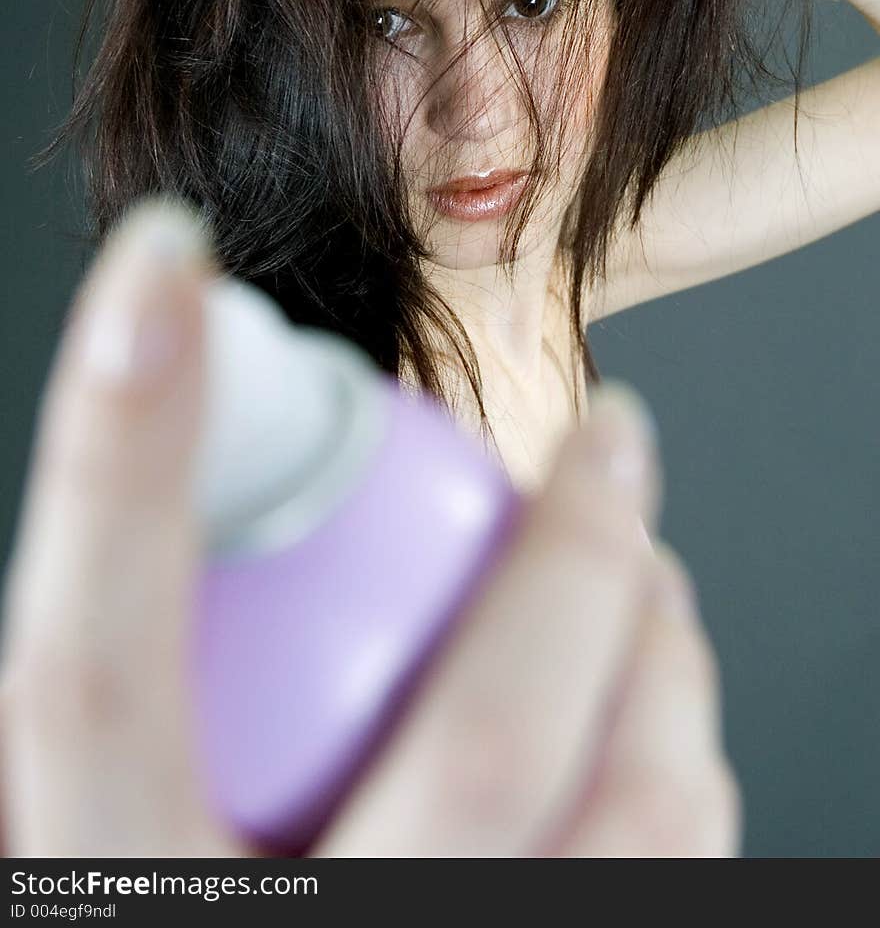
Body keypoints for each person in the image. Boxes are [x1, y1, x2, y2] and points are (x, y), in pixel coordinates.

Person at [14, 0, 880, 851]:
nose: (478, 118)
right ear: (289, 32)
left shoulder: (548, 262)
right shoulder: (328, 437)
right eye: (388, 21)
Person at [0, 196, 738, 857]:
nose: (478, 103)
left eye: (529, 29)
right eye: (389, 30)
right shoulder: (407, 382)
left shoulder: (556, 267)